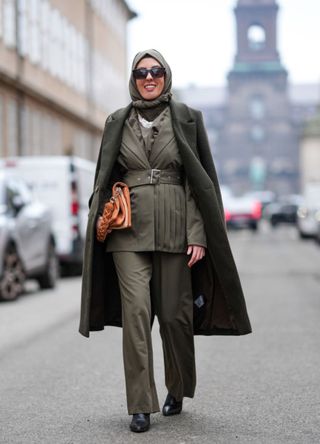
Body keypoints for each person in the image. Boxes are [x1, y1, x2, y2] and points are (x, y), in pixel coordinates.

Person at [79, 49, 251, 433]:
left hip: (176, 231)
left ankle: (179, 387)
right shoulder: (116, 121)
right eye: (142, 72)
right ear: (134, 78)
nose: (149, 77)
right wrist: (102, 210)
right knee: (137, 315)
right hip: (127, 233)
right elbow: (105, 175)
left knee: (175, 316)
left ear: (166, 76)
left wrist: (198, 233)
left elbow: (199, 181)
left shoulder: (188, 118)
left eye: (156, 71)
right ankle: (140, 404)